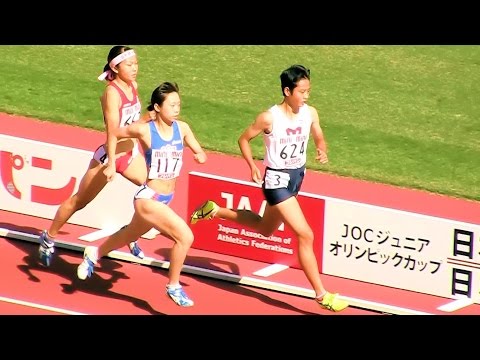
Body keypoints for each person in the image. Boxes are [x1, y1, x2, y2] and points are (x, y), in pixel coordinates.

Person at [190, 64, 349, 312]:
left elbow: (318, 133)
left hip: (297, 177)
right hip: (276, 181)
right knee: (305, 234)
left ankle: (216, 211)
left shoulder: (310, 113)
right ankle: (321, 295)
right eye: (302, 91)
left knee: (266, 229)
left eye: (308, 91)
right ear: (287, 91)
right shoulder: (269, 117)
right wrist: (252, 166)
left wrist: (321, 148)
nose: (307, 96)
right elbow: (243, 139)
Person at [77, 81, 208, 307]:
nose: (177, 108)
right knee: (185, 237)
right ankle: (173, 286)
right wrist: (109, 160)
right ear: (157, 107)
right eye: (172, 104)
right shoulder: (144, 130)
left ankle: (94, 254)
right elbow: (114, 133)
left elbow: (198, 149)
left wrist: (199, 155)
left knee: (128, 235)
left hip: (166, 199)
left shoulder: (183, 128)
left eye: (179, 104)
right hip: (148, 198)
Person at [38, 45, 150, 267]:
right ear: (115, 67)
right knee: (79, 201)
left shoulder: (133, 86)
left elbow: (133, 125)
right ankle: (48, 237)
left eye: (136, 64)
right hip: (109, 156)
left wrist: (148, 118)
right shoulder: (111, 93)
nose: (135, 68)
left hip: (129, 153)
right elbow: (112, 130)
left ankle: (129, 233)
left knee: (152, 191)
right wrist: (110, 163)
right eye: (130, 65)